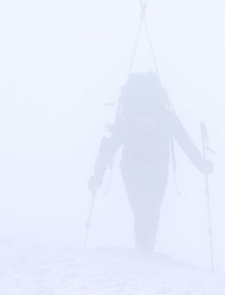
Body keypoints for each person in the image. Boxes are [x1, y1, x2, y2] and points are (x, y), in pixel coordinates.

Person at [88, 72, 213, 251]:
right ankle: (145, 247)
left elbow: (110, 148)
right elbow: (184, 141)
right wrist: (201, 164)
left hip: (143, 168)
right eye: (144, 119)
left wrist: (97, 177)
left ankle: (145, 248)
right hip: (142, 168)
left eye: (150, 119)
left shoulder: (134, 119)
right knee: (145, 210)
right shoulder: (160, 117)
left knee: (148, 210)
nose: (148, 123)